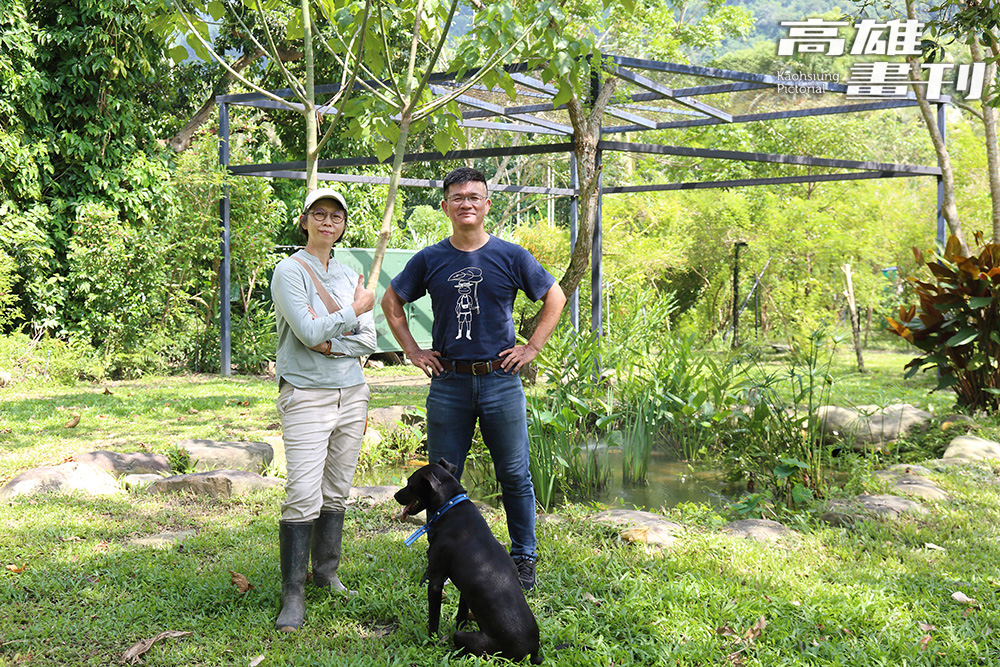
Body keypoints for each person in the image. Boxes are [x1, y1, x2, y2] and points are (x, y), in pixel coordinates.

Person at [382, 167, 566, 590]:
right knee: (443, 477)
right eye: (457, 197)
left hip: (501, 379)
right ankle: (443, 556)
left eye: (474, 196)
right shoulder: (430, 259)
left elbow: (553, 296)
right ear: (445, 206)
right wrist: (412, 350)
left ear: (487, 204)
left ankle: (523, 558)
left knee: (515, 474)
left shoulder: (511, 255)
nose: (466, 203)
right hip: (449, 382)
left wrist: (531, 348)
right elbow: (392, 300)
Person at [270, 188, 376, 632]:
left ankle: (326, 572)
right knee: (302, 493)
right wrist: (351, 313)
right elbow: (308, 330)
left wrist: (331, 339)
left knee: (337, 490)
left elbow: (368, 341)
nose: (327, 222)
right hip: (306, 394)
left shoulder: (349, 272)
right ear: (305, 220)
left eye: (336, 216)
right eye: (319, 214)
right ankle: (292, 593)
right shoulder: (288, 271)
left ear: (343, 224)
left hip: (353, 392)